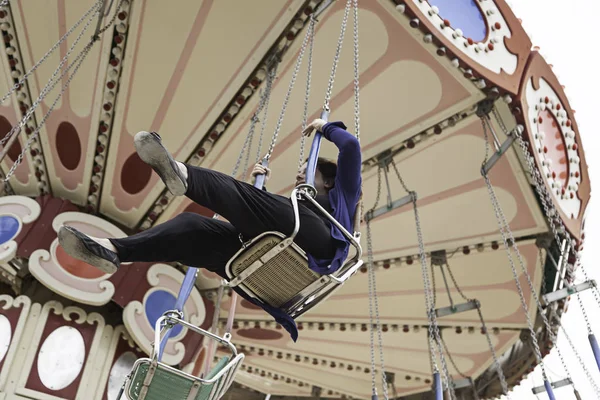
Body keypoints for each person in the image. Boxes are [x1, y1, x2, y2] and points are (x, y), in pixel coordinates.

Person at [58, 118, 362, 341]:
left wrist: (326, 127)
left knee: (255, 200)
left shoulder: (343, 195)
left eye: (308, 172)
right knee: (192, 228)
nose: (300, 177)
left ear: (330, 182)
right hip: (278, 250)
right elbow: (274, 221)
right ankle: (114, 251)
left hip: (319, 244)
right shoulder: (298, 208)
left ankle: (184, 176)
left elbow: (351, 146)